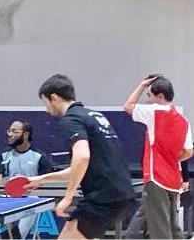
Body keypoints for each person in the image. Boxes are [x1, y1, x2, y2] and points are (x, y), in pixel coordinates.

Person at [26, 74, 135, 239]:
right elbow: (81, 166)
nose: (46, 109)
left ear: (54, 97)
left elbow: (82, 156)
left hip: (102, 198)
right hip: (122, 193)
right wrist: (40, 179)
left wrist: (68, 196)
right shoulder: (93, 116)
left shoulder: (71, 119)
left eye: (45, 103)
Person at [122, 75, 193, 239]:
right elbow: (189, 151)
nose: (147, 100)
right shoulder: (183, 121)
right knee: (173, 226)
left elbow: (128, 106)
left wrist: (141, 85)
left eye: (150, 95)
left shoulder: (155, 112)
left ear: (160, 97)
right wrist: (170, 159)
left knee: (159, 229)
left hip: (156, 178)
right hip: (173, 180)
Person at [1, 120, 53, 238]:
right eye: (9, 131)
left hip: (30, 201)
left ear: (25, 135)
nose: (10, 134)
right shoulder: (3, 155)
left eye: (14, 131)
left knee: (16, 235)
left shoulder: (40, 157)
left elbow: (47, 183)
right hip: (7, 200)